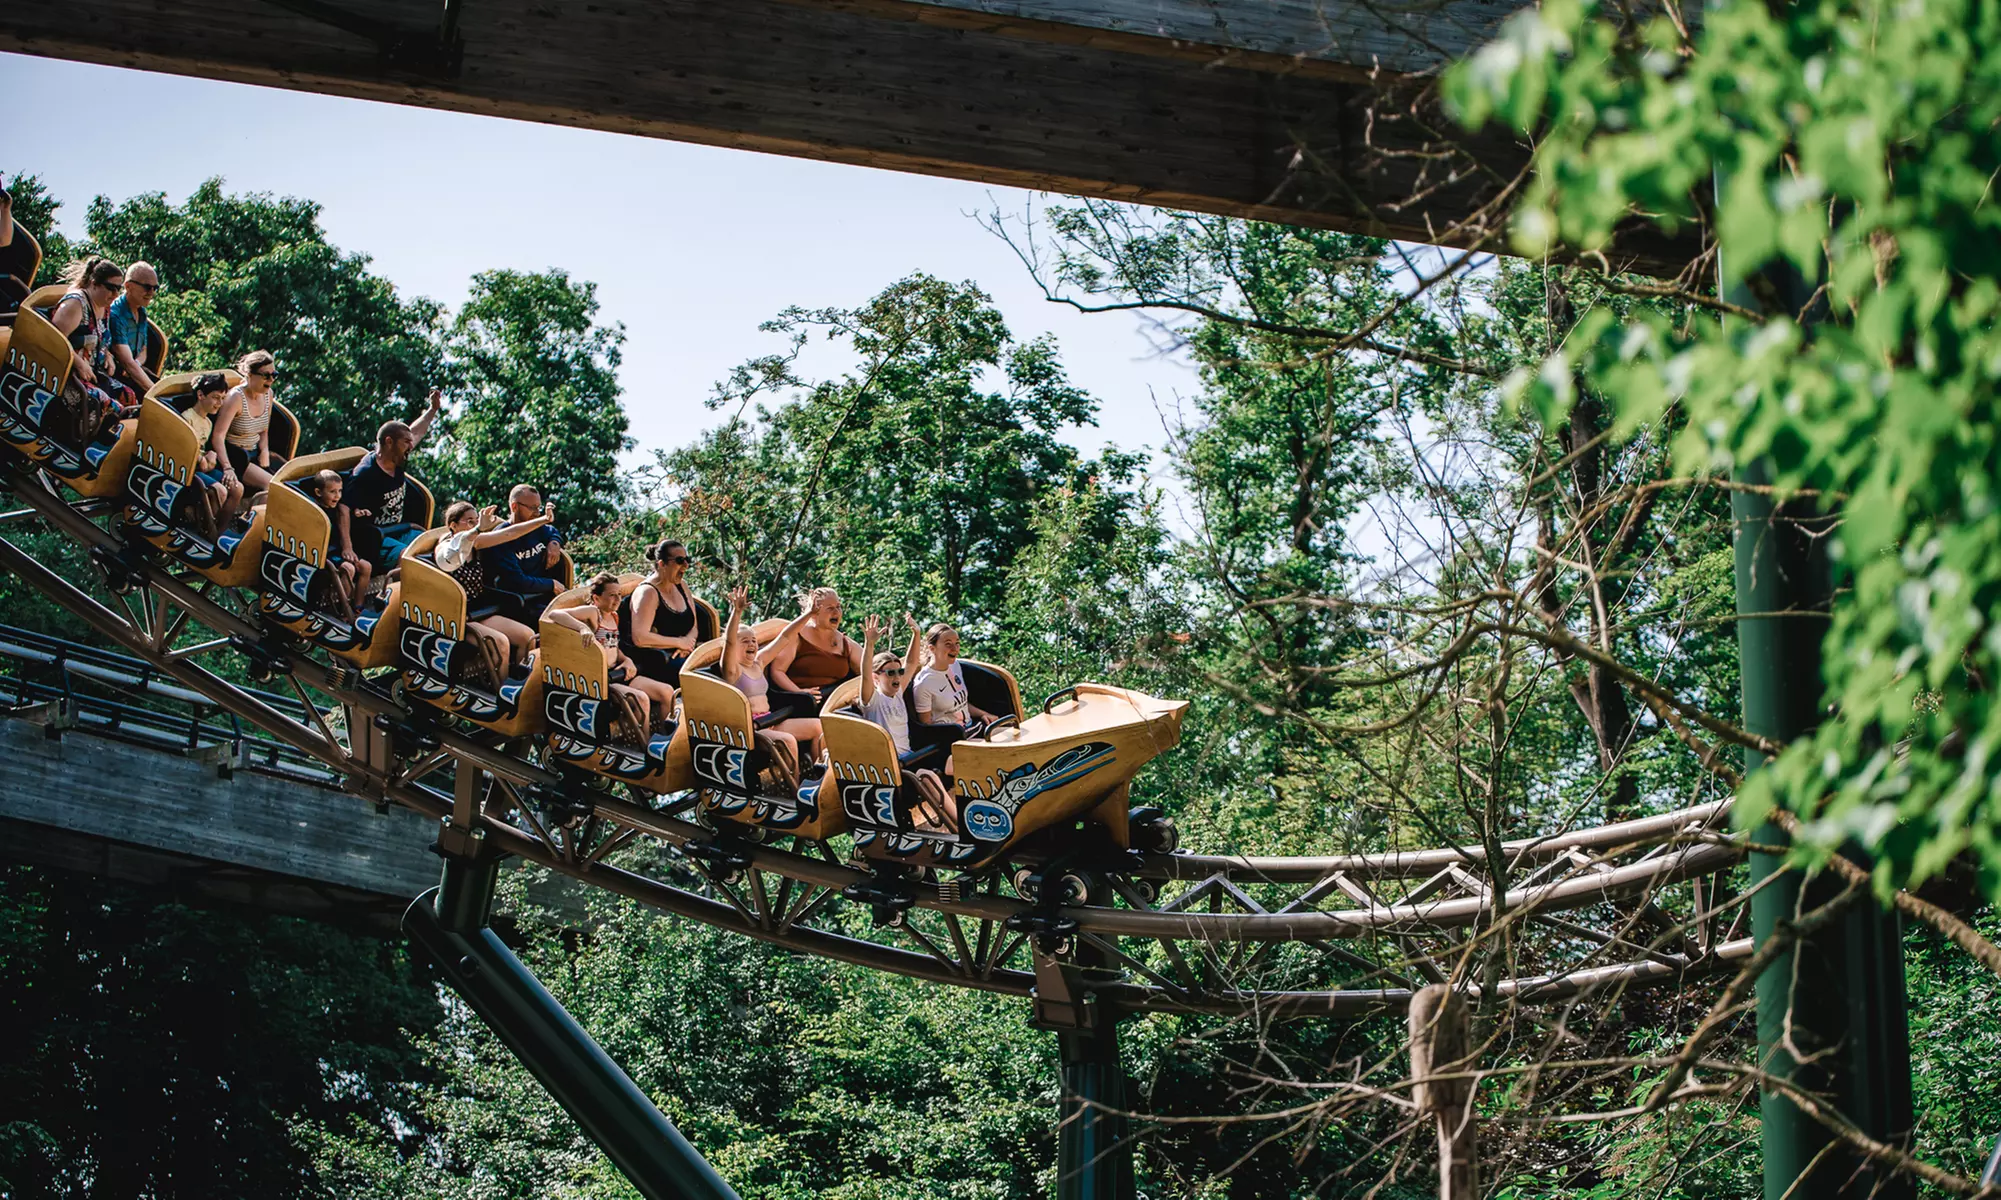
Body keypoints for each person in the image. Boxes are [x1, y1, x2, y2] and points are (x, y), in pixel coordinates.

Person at [545, 573, 676, 737]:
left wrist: (626, 660)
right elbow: (555, 615)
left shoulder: (614, 616)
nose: (617, 599)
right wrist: (582, 628)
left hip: (621, 672)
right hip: (605, 680)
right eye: (612, 595)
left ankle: (665, 739)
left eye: (619, 595)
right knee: (641, 699)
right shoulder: (593, 612)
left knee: (667, 691)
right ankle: (646, 746)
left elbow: (613, 647)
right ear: (597, 598)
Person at [858, 613, 955, 830]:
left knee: (957, 761)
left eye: (898, 672)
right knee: (927, 776)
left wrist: (917, 632)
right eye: (890, 673)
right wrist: (869, 643)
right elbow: (864, 675)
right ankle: (959, 825)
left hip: (911, 758)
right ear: (877, 677)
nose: (896, 677)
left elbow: (912, 662)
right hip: (893, 768)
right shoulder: (872, 700)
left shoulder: (898, 693)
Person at [433, 499, 548, 672]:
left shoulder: (476, 542)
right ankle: (497, 692)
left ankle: (517, 684)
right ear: (453, 525)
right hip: (457, 616)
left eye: (476, 520)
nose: (475, 525)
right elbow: (450, 558)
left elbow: (510, 533)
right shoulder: (445, 546)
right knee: (501, 643)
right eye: (470, 521)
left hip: (479, 611)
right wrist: (477, 529)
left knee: (527, 637)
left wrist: (543, 519)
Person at [719, 584, 821, 769]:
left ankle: (818, 776)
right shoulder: (732, 670)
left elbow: (785, 637)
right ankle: (796, 790)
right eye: (745, 641)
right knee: (788, 740)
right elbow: (729, 640)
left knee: (818, 727)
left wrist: (809, 614)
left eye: (753, 641)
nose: (751, 644)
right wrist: (737, 612)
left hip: (771, 721)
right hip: (751, 730)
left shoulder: (758, 663)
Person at [343, 388, 444, 574]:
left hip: (399, 530)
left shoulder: (397, 459)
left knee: (439, 543)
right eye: (406, 442)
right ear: (389, 442)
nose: (411, 446)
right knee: (408, 556)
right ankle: (392, 594)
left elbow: (416, 432)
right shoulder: (365, 473)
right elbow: (344, 509)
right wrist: (347, 548)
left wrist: (432, 410)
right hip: (375, 538)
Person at [45, 257, 136, 441]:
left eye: (119, 289)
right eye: (111, 288)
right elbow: (52, 340)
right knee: (110, 406)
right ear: (94, 283)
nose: (115, 294)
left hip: (94, 373)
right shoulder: (75, 304)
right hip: (66, 375)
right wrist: (78, 363)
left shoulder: (105, 308)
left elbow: (101, 338)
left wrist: (108, 355)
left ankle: (119, 449)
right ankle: (91, 444)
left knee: (130, 398)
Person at [622, 539, 711, 686]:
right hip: (657, 661)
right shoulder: (648, 593)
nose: (686, 565)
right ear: (662, 564)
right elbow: (640, 637)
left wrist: (687, 645)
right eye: (679, 560)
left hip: (684, 653)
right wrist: (679, 642)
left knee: (723, 667)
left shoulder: (682, 586)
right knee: (704, 680)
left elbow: (694, 625)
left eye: (687, 560)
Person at [764, 587, 863, 715]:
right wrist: (800, 692)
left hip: (835, 706)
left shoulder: (846, 644)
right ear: (815, 611)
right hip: (800, 706)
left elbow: (871, 672)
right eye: (830, 608)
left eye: (838, 607)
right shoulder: (797, 635)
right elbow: (777, 671)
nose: (836, 612)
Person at [910, 622, 1001, 754]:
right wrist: (955, 735)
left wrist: (984, 714)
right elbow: (927, 726)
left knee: (1010, 732)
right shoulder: (924, 682)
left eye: (957, 643)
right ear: (932, 648)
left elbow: (959, 703)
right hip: (954, 739)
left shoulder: (955, 666)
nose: (955, 648)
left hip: (972, 728)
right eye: (948, 644)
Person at [213, 350, 289, 495]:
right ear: (250, 375)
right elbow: (218, 436)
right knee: (273, 488)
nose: (271, 380)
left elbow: (263, 429)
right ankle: (252, 517)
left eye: (274, 375)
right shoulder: (235, 398)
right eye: (266, 376)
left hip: (255, 452)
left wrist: (264, 450)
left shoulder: (268, 394)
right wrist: (227, 467)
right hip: (236, 455)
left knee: (289, 483)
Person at [487, 483, 567, 619]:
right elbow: (517, 581)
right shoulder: (500, 537)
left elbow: (552, 531)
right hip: (519, 602)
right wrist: (551, 584)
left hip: (543, 597)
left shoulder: (536, 527)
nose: (537, 513)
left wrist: (554, 542)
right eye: (532, 508)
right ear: (514, 507)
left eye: (538, 508)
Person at [180, 372, 243, 533]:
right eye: (215, 398)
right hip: (189, 469)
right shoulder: (187, 418)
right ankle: (207, 530)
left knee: (237, 488)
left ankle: (220, 529)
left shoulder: (207, 422)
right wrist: (202, 458)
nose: (219, 403)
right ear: (201, 395)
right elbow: (185, 449)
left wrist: (210, 455)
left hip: (203, 466)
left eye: (222, 399)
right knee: (220, 491)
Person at [313, 469, 368, 618]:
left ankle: (358, 607)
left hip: (337, 552)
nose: (337, 496)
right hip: (326, 554)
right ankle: (342, 610)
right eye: (332, 492)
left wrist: (359, 513)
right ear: (319, 492)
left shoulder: (338, 510)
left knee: (365, 567)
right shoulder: (315, 511)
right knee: (348, 568)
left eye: (340, 491)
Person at [106, 262, 161, 397]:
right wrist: (154, 394)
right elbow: (126, 363)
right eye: (147, 287)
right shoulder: (116, 314)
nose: (152, 293)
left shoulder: (141, 312)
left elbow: (143, 351)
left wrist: (136, 364)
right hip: (117, 375)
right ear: (128, 286)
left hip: (135, 370)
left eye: (155, 288)